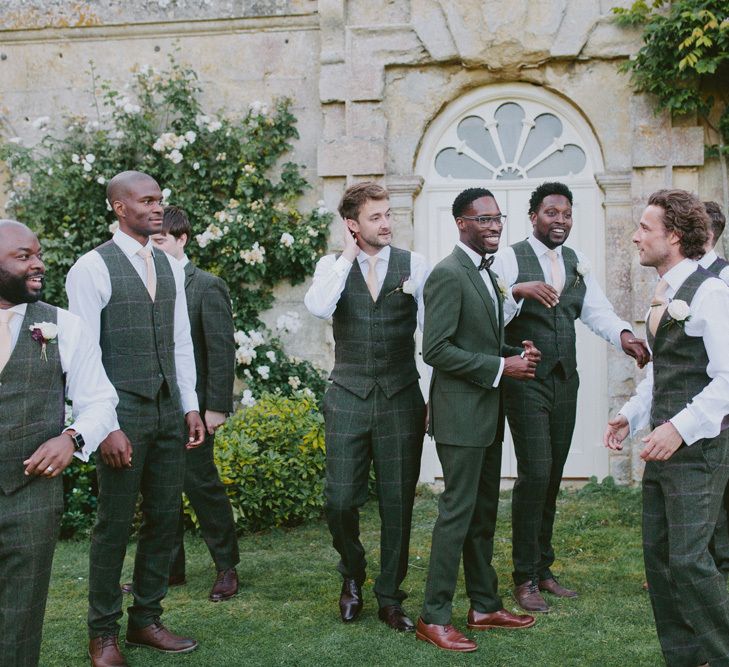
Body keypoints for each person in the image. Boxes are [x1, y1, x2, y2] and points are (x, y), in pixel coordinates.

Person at [66, 171, 206, 667]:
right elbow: (81, 356)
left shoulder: (169, 266)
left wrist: (189, 404)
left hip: (169, 411)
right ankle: (102, 634)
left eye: (160, 200)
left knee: (165, 520)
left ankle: (146, 620)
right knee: (113, 525)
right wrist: (103, 426)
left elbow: (181, 343)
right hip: (119, 415)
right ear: (119, 208)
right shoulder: (91, 268)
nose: (156, 208)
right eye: (146, 201)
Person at [492, 181, 650, 613]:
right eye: (551, 212)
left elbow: (594, 308)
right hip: (525, 379)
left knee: (553, 473)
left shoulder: (575, 262)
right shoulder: (509, 258)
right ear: (533, 216)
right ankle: (524, 577)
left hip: (565, 379)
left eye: (566, 213)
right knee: (535, 473)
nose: (560, 220)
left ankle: (543, 568)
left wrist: (625, 336)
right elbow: (491, 311)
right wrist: (518, 292)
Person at [604, 189, 729, 666]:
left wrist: (678, 428)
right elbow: (665, 370)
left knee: (691, 561)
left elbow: (726, 377)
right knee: (659, 559)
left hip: (699, 449)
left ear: (674, 236)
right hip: (663, 446)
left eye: (644, 229)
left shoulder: (712, 291)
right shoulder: (668, 289)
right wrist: (631, 414)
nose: (634, 237)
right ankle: (686, 658)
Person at [416, 187, 540, 653]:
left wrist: (514, 352)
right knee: (457, 513)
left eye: (497, 218)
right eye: (483, 219)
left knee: (484, 512)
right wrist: (499, 369)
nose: (494, 226)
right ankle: (434, 616)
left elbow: (481, 340)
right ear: (461, 223)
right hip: (460, 417)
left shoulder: (486, 274)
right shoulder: (448, 274)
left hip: (486, 414)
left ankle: (485, 606)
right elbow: (436, 349)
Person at [304, 182, 429, 632]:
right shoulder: (331, 267)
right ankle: (352, 573)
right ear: (352, 225)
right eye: (376, 217)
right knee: (338, 500)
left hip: (401, 398)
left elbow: (433, 332)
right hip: (348, 397)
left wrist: (430, 395)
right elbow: (318, 308)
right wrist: (346, 259)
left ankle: (391, 596)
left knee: (398, 503)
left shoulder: (414, 264)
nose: (387, 224)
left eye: (389, 214)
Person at [0, 220, 118, 667]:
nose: (39, 265)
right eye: (24, 257)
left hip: (29, 495)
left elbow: (100, 399)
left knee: (20, 616)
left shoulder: (62, 325)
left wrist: (72, 437)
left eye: (38, 254)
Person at [149, 205, 238, 601]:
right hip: (155, 407)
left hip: (195, 409)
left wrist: (215, 407)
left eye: (160, 240)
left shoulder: (206, 285)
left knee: (202, 487)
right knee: (159, 491)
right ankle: (170, 570)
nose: (153, 247)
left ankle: (226, 567)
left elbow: (221, 351)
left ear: (181, 239)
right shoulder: (144, 281)